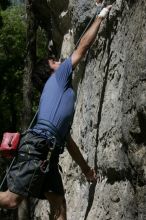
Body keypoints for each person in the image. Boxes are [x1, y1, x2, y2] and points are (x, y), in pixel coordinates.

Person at [0, 1, 112, 220]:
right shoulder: (58, 79)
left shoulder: (57, 99)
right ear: (51, 72)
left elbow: (69, 144)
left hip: (47, 153)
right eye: (53, 61)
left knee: (59, 208)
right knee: (12, 201)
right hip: (38, 149)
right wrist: (101, 14)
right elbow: (82, 48)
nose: (59, 61)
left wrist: (87, 170)